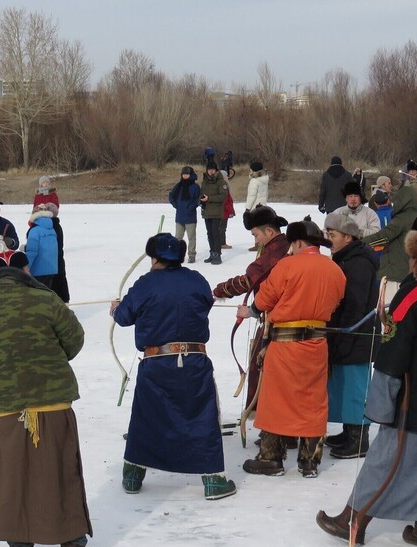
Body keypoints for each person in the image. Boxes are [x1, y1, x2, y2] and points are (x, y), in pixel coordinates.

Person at [316, 230, 417, 547]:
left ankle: (353, 521)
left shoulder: (412, 294)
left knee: (386, 457)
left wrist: (380, 402)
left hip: (412, 399)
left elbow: (394, 350)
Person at [0, 249, 95, 547]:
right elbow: (74, 340)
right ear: (23, 274)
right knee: (60, 472)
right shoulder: (47, 300)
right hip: (54, 401)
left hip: (6, 407)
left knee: (11, 477)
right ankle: (71, 546)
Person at [111, 233, 237, 500]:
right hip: (194, 361)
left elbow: (124, 317)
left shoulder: (146, 283)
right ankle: (213, 481)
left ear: (154, 258)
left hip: (156, 363)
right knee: (202, 417)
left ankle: (132, 476)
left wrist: (116, 308)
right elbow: (204, 305)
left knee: (146, 417)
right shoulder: (197, 280)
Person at [241, 217, 345, 478]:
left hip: (286, 343)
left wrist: (251, 310)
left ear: (298, 242)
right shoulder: (335, 270)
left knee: (275, 399)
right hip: (317, 343)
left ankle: (271, 457)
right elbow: (336, 302)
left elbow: (265, 299)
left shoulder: (288, 265)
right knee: (314, 399)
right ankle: (309, 461)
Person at [212, 206, 291, 412]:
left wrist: (219, 291)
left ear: (270, 232)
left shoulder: (276, 250)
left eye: (256, 235)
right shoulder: (280, 246)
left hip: (275, 322)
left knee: (264, 369)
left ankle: (271, 422)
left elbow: (249, 280)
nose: (255, 241)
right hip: (274, 317)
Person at [323, 214, 378, 459]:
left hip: (357, 333)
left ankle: (359, 439)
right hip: (346, 332)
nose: (328, 240)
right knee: (344, 386)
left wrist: (346, 332)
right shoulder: (345, 258)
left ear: (348, 237)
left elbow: (355, 302)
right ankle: (349, 430)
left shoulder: (358, 263)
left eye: (332, 235)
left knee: (356, 388)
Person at [362, 180, 417, 303]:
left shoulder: (402, 219)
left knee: (390, 308)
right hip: (410, 267)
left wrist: (360, 243)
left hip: (395, 270)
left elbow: (384, 235)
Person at [169, 166, 202, 263]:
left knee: (191, 236)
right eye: (183, 174)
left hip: (190, 216)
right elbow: (171, 196)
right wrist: (175, 205)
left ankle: (191, 254)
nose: (185, 176)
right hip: (179, 216)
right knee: (178, 237)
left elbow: (198, 199)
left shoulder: (195, 187)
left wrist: (191, 207)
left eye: (187, 174)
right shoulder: (178, 186)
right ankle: (177, 254)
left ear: (191, 175)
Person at [199, 161, 229, 264]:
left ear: (216, 170)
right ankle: (212, 253)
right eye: (209, 169)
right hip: (207, 211)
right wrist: (201, 199)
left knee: (215, 233)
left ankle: (217, 254)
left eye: (212, 169)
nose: (211, 171)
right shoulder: (205, 181)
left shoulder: (221, 182)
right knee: (209, 233)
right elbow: (201, 192)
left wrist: (209, 198)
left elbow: (223, 196)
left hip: (216, 211)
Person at [25, 204, 59, 291]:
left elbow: (32, 252)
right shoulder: (52, 230)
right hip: (52, 269)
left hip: (37, 270)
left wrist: (25, 267)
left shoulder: (34, 231)